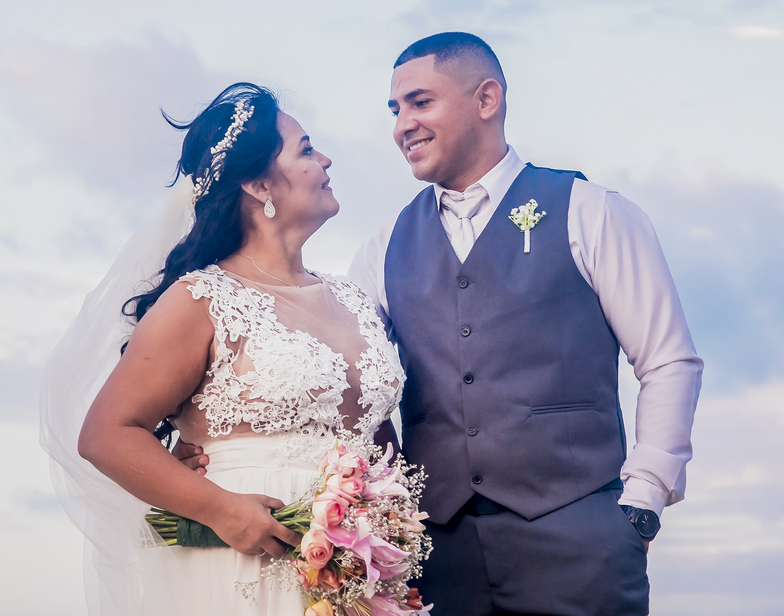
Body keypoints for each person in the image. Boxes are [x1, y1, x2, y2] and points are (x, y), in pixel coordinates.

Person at [346, 32, 704, 616]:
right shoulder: (382, 249)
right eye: (395, 109)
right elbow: (355, 394)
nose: (401, 125)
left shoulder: (592, 211)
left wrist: (643, 501)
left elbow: (668, 360)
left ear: (487, 100)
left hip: (579, 545)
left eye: (420, 102)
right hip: (439, 556)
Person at [40, 83, 405, 616]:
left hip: (358, 578)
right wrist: (222, 510)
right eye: (305, 149)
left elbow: (377, 436)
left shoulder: (353, 298)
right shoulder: (200, 300)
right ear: (258, 183)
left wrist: (390, 521)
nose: (325, 158)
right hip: (242, 565)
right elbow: (105, 435)